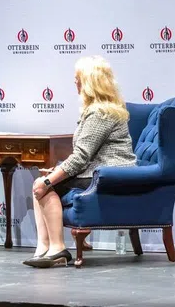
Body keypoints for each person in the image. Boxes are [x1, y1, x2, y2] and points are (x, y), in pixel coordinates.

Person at [23, 56, 137, 268]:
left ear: (90, 82)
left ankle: (57, 249)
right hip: (101, 170)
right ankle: (43, 248)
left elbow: (81, 158)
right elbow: (85, 156)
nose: (75, 83)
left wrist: (49, 180)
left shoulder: (100, 113)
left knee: (45, 186)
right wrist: (53, 173)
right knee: (43, 181)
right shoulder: (102, 109)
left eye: (78, 78)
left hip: (108, 175)